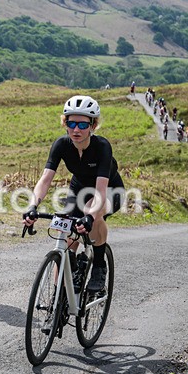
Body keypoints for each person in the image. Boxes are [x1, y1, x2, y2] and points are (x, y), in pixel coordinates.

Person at [22, 95, 125, 293]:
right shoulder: (61, 144)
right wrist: (32, 206)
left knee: (91, 212)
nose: (76, 130)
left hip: (109, 190)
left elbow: (100, 191)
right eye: (71, 123)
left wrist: (90, 217)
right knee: (68, 239)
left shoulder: (102, 146)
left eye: (82, 125)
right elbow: (45, 179)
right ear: (65, 123)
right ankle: (59, 295)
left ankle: (99, 265)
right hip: (79, 189)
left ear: (93, 125)